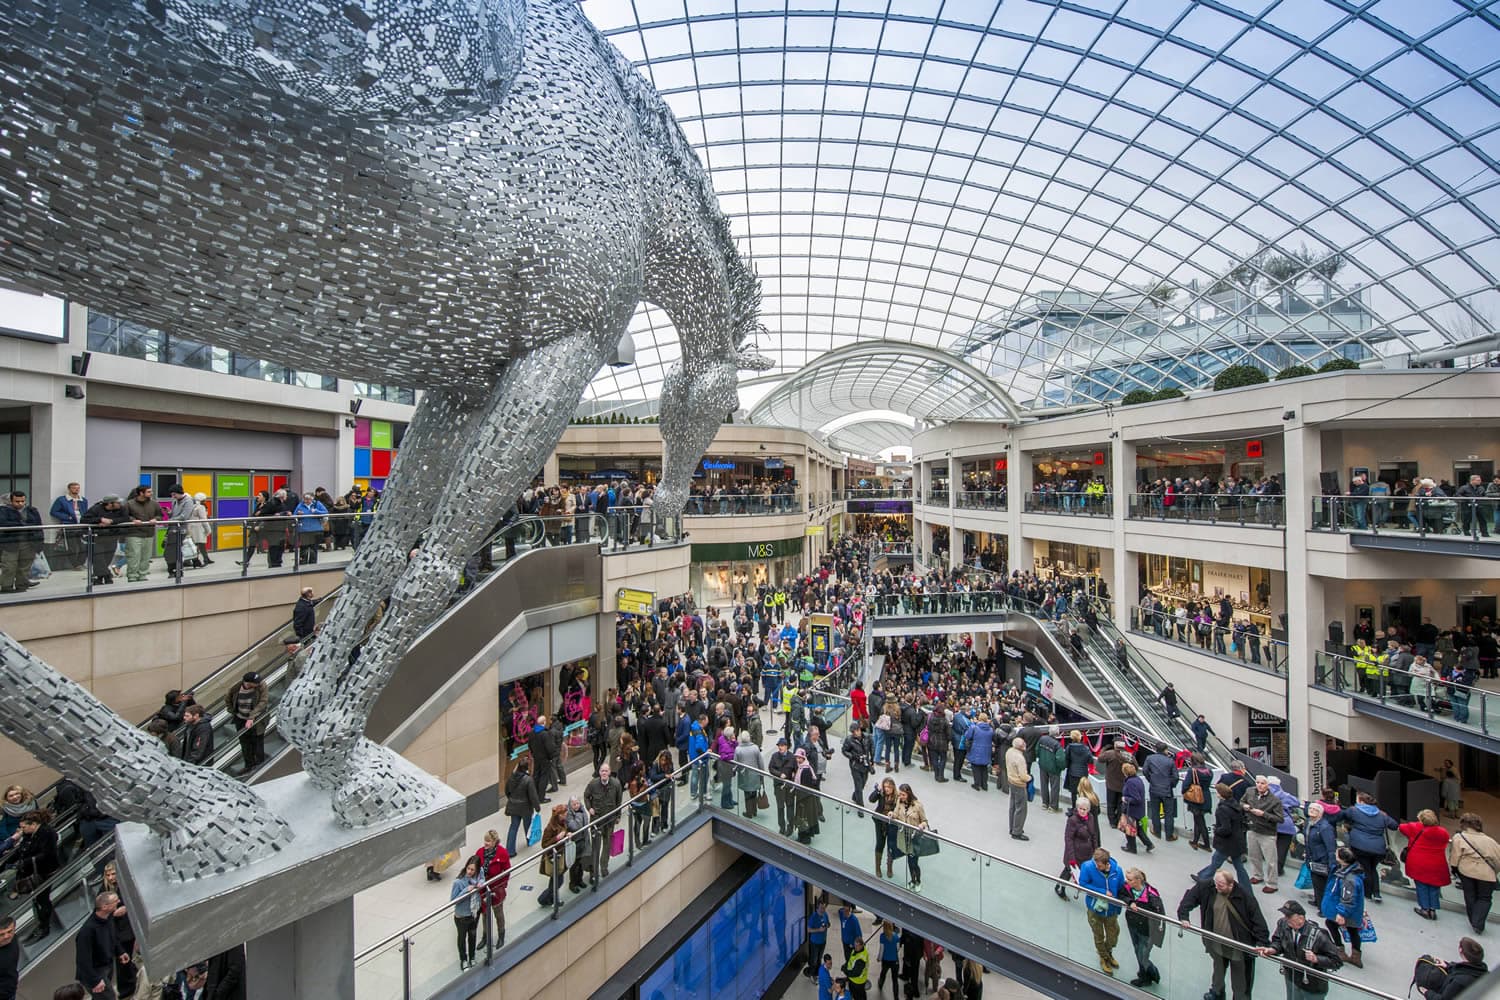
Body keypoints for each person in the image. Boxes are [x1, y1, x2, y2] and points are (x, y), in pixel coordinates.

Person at [1178, 870, 1270, 1000]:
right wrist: (1183, 916)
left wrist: (1262, 943)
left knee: (1241, 982)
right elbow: (1190, 898)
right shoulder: (1208, 886)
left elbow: (1258, 921)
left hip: (1239, 947)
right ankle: (1217, 992)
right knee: (1218, 971)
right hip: (1217, 943)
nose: (1216, 887)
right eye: (1216, 883)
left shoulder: (1244, 896)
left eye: (1220, 885)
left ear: (1231, 885)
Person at [1257, 900, 1343, 1000]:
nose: (1286, 919)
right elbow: (1278, 940)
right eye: (1285, 915)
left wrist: (1316, 959)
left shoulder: (1319, 935)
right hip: (1292, 978)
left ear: (1301, 918)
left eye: (1289, 916)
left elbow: (1336, 961)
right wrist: (1273, 949)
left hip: (1313, 986)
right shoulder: (1283, 924)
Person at [1338, 791, 1397, 904]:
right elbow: (1394, 825)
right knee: (1372, 869)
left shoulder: (1354, 810)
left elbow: (1341, 815)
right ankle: (1377, 893)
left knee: (1365, 869)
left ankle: (1368, 893)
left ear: (1361, 801)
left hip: (1360, 846)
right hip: (1378, 849)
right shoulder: (1381, 814)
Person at [12, 810, 60, 944]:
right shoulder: (30, 834)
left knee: (42, 898)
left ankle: (44, 927)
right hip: (34, 871)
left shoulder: (48, 833)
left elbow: (47, 854)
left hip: (46, 871)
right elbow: (23, 849)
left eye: (23, 827)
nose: (22, 830)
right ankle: (41, 924)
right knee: (38, 899)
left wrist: (26, 861)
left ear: (33, 824)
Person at [1448, 813, 1500, 935]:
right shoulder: (1491, 841)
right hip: (1487, 874)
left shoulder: (1459, 837)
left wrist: (1454, 869)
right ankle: (1478, 922)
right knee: (1485, 898)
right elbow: (1498, 859)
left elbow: (1455, 856)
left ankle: (1474, 921)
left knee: (1470, 895)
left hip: (1467, 871)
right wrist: (1495, 871)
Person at [1077, 848, 1125, 976]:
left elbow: (1122, 889)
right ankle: (1104, 957)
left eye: (1099, 865)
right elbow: (1082, 883)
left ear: (1106, 863)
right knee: (1098, 935)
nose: (1097, 867)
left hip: (1111, 910)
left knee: (1113, 935)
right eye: (1095, 864)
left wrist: (1119, 906)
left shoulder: (1117, 872)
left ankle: (1107, 952)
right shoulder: (1087, 867)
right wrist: (1102, 892)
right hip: (1094, 908)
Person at [75, 892, 129, 1000]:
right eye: (115, 900)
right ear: (104, 907)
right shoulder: (87, 931)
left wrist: (120, 951)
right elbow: (83, 960)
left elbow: (112, 937)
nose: (119, 902)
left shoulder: (108, 918)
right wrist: (95, 981)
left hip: (106, 966)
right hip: (95, 972)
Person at [1401, 809, 1453, 920]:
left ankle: (1424, 908)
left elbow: (1401, 828)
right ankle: (1433, 909)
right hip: (1437, 863)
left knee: (1421, 885)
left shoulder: (1416, 827)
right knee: (1434, 887)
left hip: (1419, 862)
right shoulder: (1443, 832)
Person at [1118, 866, 1164, 988]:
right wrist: (1130, 901)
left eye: (1130, 880)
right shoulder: (1127, 888)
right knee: (1138, 950)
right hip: (1133, 925)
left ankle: (1150, 974)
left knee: (1142, 954)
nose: (1127, 882)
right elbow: (1121, 894)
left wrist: (1157, 936)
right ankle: (1144, 972)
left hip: (1146, 930)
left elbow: (1159, 916)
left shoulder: (1152, 896)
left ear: (1138, 880)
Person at [1321, 846, 1365, 969]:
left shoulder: (1349, 879)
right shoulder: (1349, 871)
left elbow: (1348, 898)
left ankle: (1340, 951)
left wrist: (1341, 913)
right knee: (1353, 930)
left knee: (1331, 924)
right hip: (1351, 911)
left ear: (1342, 859)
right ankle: (1356, 956)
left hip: (1345, 911)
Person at [1243, 775, 1285, 893]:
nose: (1259, 785)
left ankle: (1272, 883)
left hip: (1267, 833)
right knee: (1253, 855)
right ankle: (1257, 875)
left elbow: (1280, 818)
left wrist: (1263, 814)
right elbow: (1241, 801)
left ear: (1268, 785)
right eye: (1257, 782)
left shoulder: (1274, 800)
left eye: (1263, 783)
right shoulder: (1250, 792)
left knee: (1271, 860)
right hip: (1252, 828)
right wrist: (1244, 806)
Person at [472, 830, 511, 950]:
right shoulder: (479, 852)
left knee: (498, 913)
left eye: (488, 841)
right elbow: (475, 868)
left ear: (495, 841)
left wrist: (502, 886)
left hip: (496, 889)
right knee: (485, 914)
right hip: (483, 890)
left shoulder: (502, 853)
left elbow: (507, 870)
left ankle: (501, 935)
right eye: (485, 840)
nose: (486, 843)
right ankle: (485, 937)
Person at [585, 763, 623, 877]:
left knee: (607, 845)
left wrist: (618, 816)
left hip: (609, 820)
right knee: (596, 846)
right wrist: (589, 808)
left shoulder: (616, 784)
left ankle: (604, 867)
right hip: (596, 820)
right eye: (602, 771)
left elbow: (619, 801)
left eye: (606, 771)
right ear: (599, 772)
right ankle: (594, 870)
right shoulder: (593, 784)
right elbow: (586, 796)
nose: (604, 773)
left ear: (610, 772)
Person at [1058, 795, 1099, 900]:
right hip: (1075, 852)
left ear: (1088, 809)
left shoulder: (1091, 817)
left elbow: (1094, 834)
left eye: (1084, 809)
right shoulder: (1073, 820)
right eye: (1080, 808)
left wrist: (1096, 849)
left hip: (1087, 852)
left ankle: (1060, 886)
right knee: (1068, 870)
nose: (1082, 811)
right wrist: (1071, 858)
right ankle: (1060, 888)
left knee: (1079, 872)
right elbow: (1068, 839)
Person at [1418, 938, 1488, 1000]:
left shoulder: (1458, 981)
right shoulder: (1483, 971)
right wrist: (1448, 966)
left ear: (1460, 950)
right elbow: (1465, 969)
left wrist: (1427, 992)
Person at [0, 492, 43, 593]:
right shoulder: (3, 511)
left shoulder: (32, 510)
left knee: (25, 565)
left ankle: (22, 585)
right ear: (11, 501)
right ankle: (6, 587)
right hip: (10, 542)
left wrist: (40, 542)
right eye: (17, 501)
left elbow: (39, 526)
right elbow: (3, 524)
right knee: (9, 566)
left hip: (29, 542)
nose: (20, 504)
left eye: (22, 501)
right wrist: (21, 524)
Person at [228, 671, 267, 775]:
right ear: (248, 683)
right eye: (256, 682)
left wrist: (251, 717)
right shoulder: (236, 688)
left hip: (257, 719)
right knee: (245, 743)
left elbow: (263, 702)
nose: (259, 683)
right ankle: (249, 765)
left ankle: (260, 765)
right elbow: (228, 699)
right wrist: (233, 711)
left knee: (258, 742)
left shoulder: (261, 685)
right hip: (240, 719)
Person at [893, 784, 930, 889]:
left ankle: (918, 881)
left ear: (909, 794)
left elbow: (925, 821)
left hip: (914, 837)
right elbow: (896, 814)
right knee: (909, 861)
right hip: (904, 836)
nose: (901, 796)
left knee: (914, 862)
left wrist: (921, 825)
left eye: (903, 794)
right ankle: (912, 880)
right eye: (900, 794)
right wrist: (892, 814)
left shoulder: (917, 806)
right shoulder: (899, 802)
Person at [503, 757, 541, 857]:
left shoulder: (511, 777)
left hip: (513, 806)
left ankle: (510, 850)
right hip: (525, 808)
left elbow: (507, 791)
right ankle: (529, 841)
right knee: (528, 826)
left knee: (513, 827)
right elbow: (533, 796)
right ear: (526, 768)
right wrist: (537, 807)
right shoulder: (528, 780)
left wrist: (512, 799)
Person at [1303, 802, 1338, 910]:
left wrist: (1331, 864)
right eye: (1311, 808)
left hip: (1322, 860)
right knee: (1316, 883)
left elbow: (1331, 846)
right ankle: (1318, 900)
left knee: (1322, 885)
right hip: (1312, 857)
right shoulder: (1309, 823)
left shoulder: (1325, 827)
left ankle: (1323, 908)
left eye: (1315, 810)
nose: (1312, 810)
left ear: (1320, 814)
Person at [121, 485, 158, 582]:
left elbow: (160, 515)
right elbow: (124, 516)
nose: (151, 493)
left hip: (149, 533)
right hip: (133, 533)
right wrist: (132, 520)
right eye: (149, 492)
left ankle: (143, 575)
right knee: (134, 555)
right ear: (141, 493)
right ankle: (132, 576)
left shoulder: (154, 503)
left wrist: (156, 519)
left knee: (146, 556)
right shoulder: (129, 504)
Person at [451, 857, 483, 969]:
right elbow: (453, 901)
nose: (469, 872)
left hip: (474, 912)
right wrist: (466, 891)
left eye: (472, 870)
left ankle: (472, 957)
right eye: (468, 868)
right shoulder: (458, 882)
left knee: (473, 936)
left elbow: (482, 878)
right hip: (462, 917)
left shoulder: (479, 874)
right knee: (462, 938)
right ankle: (463, 959)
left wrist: (480, 883)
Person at [1142, 743, 1177, 841]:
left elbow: (1145, 771)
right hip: (1167, 790)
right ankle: (1169, 835)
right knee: (1169, 813)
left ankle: (1157, 832)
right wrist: (1171, 785)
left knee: (1155, 811)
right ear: (1165, 750)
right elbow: (1176, 777)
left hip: (1154, 789)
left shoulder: (1149, 758)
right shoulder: (1170, 761)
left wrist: (1151, 780)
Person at [1182, 752, 1215, 851]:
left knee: (1200, 822)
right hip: (1206, 797)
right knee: (1199, 820)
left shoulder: (1192, 771)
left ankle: (1207, 845)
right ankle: (1195, 841)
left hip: (1196, 799)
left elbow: (1185, 785)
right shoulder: (1209, 771)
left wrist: (1185, 792)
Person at [1118, 762, 1153, 854]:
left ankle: (1131, 848)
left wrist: (1125, 798)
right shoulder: (1138, 780)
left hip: (1131, 810)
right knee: (1139, 829)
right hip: (1138, 810)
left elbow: (1136, 799)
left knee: (1129, 829)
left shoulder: (1130, 783)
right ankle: (1148, 844)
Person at [869, 777, 899, 881]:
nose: (887, 789)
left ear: (893, 787)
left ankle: (889, 867)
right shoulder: (881, 794)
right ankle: (878, 867)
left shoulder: (897, 797)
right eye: (885, 786)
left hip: (891, 824)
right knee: (880, 844)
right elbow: (871, 799)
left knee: (891, 845)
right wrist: (877, 791)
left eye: (889, 787)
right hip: (880, 822)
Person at [733, 730, 765, 817]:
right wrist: (762, 774)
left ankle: (749, 812)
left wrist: (733, 771)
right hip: (755, 774)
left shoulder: (738, 749)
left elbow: (735, 763)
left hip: (744, 776)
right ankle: (754, 811)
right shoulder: (755, 748)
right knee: (754, 792)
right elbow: (760, 762)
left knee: (747, 793)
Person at [842, 721, 874, 807]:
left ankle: (855, 796)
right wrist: (852, 756)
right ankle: (860, 806)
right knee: (858, 786)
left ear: (859, 730)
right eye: (852, 732)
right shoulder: (849, 740)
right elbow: (844, 750)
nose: (854, 733)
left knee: (863, 783)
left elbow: (872, 748)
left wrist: (872, 760)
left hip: (865, 764)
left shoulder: (868, 737)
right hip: (855, 765)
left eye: (855, 731)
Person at [1003, 736, 1029, 840]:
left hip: (1011, 781)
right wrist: (1029, 777)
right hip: (1019, 784)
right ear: (1021, 746)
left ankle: (1012, 827)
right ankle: (1017, 831)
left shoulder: (1009, 751)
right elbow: (1023, 776)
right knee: (1021, 808)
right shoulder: (1020, 758)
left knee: (1013, 805)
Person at [1035, 725, 1064, 811]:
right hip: (1054, 769)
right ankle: (1053, 806)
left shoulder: (1042, 739)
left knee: (1043, 784)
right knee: (1054, 787)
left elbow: (1037, 750)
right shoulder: (1057, 745)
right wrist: (1061, 768)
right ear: (1057, 733)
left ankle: (1045, 803)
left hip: (1043, 765)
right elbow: (1060, 759)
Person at [1063, 729, 1093, 808]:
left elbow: (1066, 759)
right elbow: (1090, 760)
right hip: (1083, 773)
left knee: (1073, 792)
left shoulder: (1069, 747)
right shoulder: (1086, 748)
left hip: (1072, 772)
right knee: (1082, 792)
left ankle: (1074, 808)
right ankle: (1082, 808)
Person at [964, 713, 993, 792]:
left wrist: (972, 723)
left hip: (976, 749)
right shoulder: (990, 729)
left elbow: (967, 736)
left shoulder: (974, 727)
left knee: (975, 767)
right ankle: (984, 785)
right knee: (984, 768)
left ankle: (977, 784)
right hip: (986, 751)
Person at [806, 898, 830, 977]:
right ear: (817, 908)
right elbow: (808, 930)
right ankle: (812, 974)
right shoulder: (813, 917)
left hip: (823, 941)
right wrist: (818, 930)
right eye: (821, 908)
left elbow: (828, 923)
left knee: (819, 958)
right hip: (815, 943)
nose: (823, 910)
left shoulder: (825, 914)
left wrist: (827, 925)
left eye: (824, 908)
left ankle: (817, 973)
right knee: (814, 960)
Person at [876, 920, 900, 999]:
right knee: (895, 980)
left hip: (886, 960)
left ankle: (880, 984)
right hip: (895, 961)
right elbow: (897, 948)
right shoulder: (896, 936)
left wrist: (879, 958)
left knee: (883, 973)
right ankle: (896, 997)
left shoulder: (882, 936)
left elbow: (881, 950)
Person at [844, 935, 870, 1000]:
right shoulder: (857, 950)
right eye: (855, 945)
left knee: (857, 996)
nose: (855, 947)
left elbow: (855, 973)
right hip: (855, 980)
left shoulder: (861, 959)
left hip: (857, 981)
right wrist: (845, 966)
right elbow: (851, 960)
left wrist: (845, 971)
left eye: (857, 946)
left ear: (861, 946)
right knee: (862, 994)